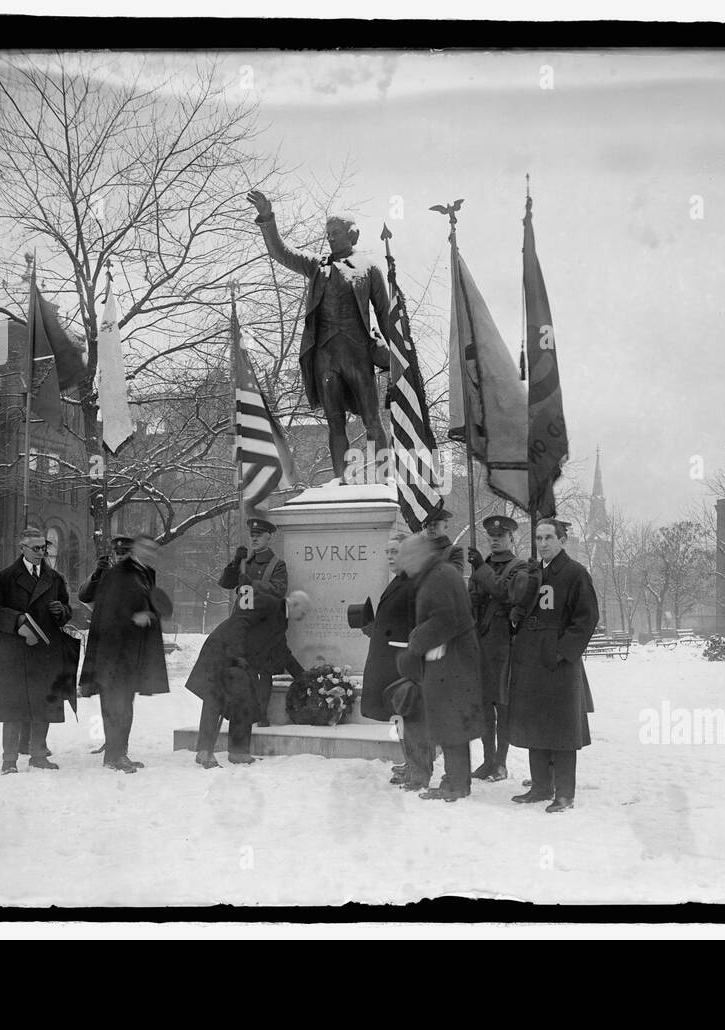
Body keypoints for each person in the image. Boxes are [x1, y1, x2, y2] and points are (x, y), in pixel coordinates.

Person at [246, 188, 392, 482]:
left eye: (336, 231)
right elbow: (281, 252)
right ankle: (343, 481)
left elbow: (386, 317)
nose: (330, 237)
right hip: (324, 355)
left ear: (354, 235)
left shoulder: (370, 268)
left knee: (372, 419)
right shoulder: (316, 266)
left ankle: (384, 478)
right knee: (334, 422)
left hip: (358, 353)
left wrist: (396, 357)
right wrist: (267, 218)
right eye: (328, 232)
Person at [507, 518, 599, 813]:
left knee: (561, 729)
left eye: (549, 538)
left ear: (562, 540)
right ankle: (540, 787)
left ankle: (565, 794)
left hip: (559, 664)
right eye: (539, 538)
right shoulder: (534, 574)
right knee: (536, 723)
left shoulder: (575, 574)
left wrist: (562, 652)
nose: (543, 544)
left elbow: (586, 620)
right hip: (532, 661)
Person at [395, 534, 484, 802]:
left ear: (420, 555)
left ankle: (455, 784)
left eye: (406, 557)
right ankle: (456, 781)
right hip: (452, 660)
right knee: (451, 723)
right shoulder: (438, 573)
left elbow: (445, 618)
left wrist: (415, 641)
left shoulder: (438, 577)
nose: (403, 563)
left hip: (451, 662)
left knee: (451, 723)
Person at [0, 527, 74, 774]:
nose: (41, 553)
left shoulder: (54, 579)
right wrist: (16, 621)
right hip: (14, 651)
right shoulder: (6, 577)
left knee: (43, 702)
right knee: (13, 706)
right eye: (35, 548)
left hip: (45, 651)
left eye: (44, 548)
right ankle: (9, 760)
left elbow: (67, 608)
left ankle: (38, 755)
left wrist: (61, 612)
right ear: (21, 548)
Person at [186, 589, 312, 768]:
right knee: (214, 700)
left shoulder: (281, 622)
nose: (303, 617)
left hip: (239, 660)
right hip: (222, 650)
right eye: (304, 612)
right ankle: (204, 751)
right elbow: (239, 620)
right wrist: (237, 654)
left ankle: (238, 752)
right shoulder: (268, 602)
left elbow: (283, 653)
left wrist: (304, 678)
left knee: (244, 702)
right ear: (295, 604)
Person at [78, 535, 172, 773]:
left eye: (154, 549)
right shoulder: (117, 573)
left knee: (126, 702)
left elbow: (147, 604)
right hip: (113, 652)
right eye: (147, 548)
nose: (151, 553)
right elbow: (106, 614)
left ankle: (121, 752)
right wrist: (133, 619)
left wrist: (151, 613)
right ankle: (113, 755)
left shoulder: (145, 573)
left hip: (132, 652)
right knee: (114, 703)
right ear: (135, 549)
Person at [359, 529, 429, 788]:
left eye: (395, 552)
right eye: (387, 552)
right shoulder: (399, 580)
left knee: (411, 717)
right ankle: (411, 762)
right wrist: (374, 627)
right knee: (401, 717)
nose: (389, 556)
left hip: (402, 662)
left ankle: (420, 771)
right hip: (389, 659)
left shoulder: (413, 581)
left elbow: (416, 622)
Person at [468, 515, 531, 781]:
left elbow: (505, 593)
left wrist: (481, 569)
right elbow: (472, 598)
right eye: (491, 538)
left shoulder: (520, 567)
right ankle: (487, 760)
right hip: (480, 644)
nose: (495, 541)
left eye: (500, 537)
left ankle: (501, 763)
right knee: (483, 706)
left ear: (511, 538)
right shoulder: (481, 565)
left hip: (503, 645)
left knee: (502, 706)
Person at [220, 517, 288, 726]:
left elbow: (278, 590)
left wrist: (253, 583)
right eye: (252, 535)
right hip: (243, 624)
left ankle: (262, 715)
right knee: (243, 668)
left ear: (269, 537)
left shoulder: (277, 564)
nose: (255, 538)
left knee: (263, 670)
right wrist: (234, 563)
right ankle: (244, 714)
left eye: (259, 535)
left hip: (265, 625)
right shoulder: (244, 563)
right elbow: (226, 583)